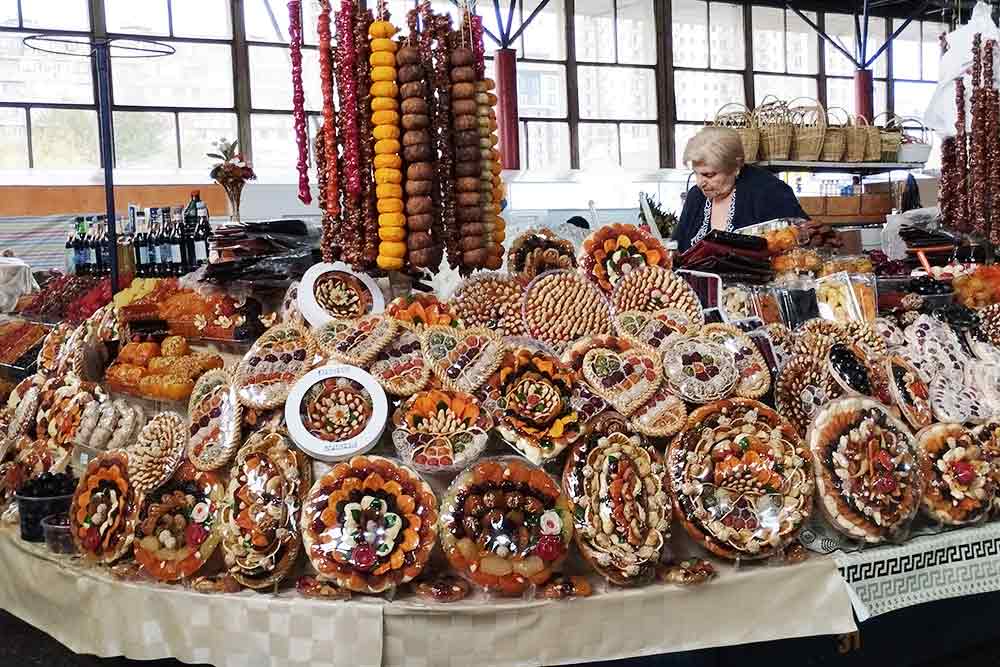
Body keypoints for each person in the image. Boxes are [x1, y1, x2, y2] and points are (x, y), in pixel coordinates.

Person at [672, 126, 808, 252]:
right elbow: (678, 247)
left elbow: (798, 241)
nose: (700, 182)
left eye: (709, 175)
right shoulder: (696, 196)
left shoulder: (769, 191)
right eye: (696, 173)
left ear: (736, 167)